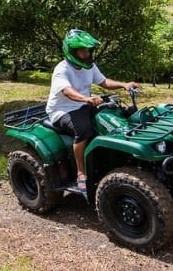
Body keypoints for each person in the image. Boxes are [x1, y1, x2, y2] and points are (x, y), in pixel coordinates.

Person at [46, 29, 140, 192]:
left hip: (83, 105)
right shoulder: (62, 69)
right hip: (62, 110)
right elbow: (67, 91)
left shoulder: (90, 66)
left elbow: (103, 81)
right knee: (84, 130)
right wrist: (87, 99)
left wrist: (124, 85)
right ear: (72, 52)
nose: (86, 53)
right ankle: (81, 172)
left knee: (113, 116)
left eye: (88, 50)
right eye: (82, 50)